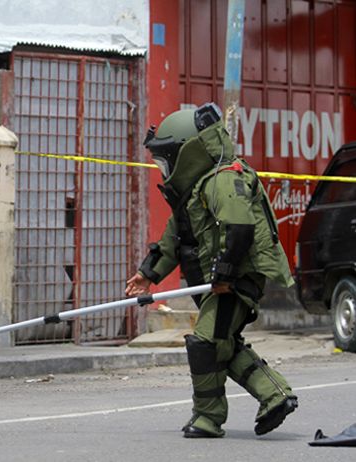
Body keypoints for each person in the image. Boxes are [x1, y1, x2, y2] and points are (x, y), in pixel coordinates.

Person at [125, 103, 298, 438]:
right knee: (222, 343)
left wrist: (225, 276)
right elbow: (176, 237)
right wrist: (149, 273)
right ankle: (275, 396)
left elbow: (240, 227)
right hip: (222, 281)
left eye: (168, 157)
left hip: (236, 281)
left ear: (189, 152)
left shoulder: (223, 178)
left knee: (205, 343)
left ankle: (208, 418)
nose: (166, 167)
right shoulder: (195, 188)